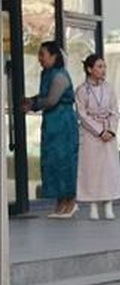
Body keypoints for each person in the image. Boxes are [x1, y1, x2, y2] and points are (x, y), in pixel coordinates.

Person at [22, 41, 79, 218]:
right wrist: (31, 100)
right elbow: (44, 96)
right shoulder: (46, 74)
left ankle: (71, 202)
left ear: (54, 56)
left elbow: (52, 100)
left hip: (63, 123)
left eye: (42, 55)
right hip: (52, 123)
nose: (39, 59)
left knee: (64, 161)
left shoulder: (60, 76)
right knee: (52, 161)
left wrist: (32, 105)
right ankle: (60, 202)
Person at [75, 53, 120, 220]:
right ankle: (92, 205)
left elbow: (115, 110)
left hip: (108, 133)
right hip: (91, 135)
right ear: (89, 69)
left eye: (104, 66)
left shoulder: (109, 88)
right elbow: (82, 115)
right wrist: (98, 131)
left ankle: (109, 204)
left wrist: (110, 130)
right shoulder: (81, 90)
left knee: (108, 169)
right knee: (91, 169)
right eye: (99, 66)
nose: (103, 70)